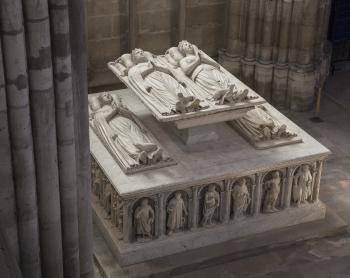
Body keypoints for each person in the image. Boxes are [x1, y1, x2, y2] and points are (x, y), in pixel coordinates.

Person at [90, 92, 163, 166]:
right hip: (115, 124)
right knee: (125, 139)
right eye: (105, 95)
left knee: (137, 135)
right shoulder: (99, 111)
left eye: (108, 94)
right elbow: (103, 120)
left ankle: (151, 153)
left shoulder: (119, 106)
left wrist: (121, 109)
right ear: (101, 101)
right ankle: (138, 156)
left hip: (128, 122)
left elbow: (130, 115)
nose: (108, 95)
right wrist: (115, 110)